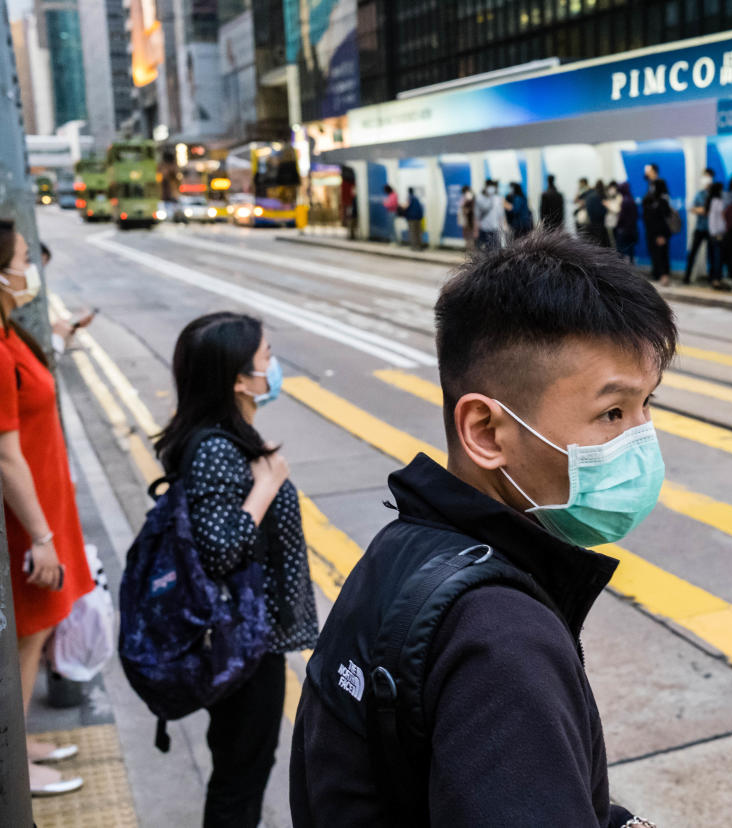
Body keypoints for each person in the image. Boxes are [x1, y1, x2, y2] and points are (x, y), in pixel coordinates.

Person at [290, 230, 672, 828]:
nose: (641, 438)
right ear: (487, 432)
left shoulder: (402, 549)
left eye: (649, 405)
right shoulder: (501, 640)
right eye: (613, 413)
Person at [153, 311, 317, 828]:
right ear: (239, 379)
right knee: (240, 775)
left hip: (245, 636)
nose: (274, 366)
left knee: (243, 765)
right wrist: (266, 487)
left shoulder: (222, 436)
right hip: (242, 645)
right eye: (267, 357)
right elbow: (219, 552)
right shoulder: (217, 451)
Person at [0, 221, 90, 798]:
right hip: (27, 521)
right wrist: (41, 537)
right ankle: (11, 768)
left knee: (36, 632)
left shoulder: (9, 334)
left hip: (45, 507)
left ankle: (19, 736)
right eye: (23, 257)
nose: (30, 267)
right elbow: (6, 455)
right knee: (26, 636)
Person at [683, 168, 715, 284]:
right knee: (693, 253)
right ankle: (687, 277)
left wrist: (705, 210)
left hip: (712, 230)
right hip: (700, 227)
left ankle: (713, 278)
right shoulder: (700, 194)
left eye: (707, 176)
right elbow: (692, 207)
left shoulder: (715, 193)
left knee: (712, 255)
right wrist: (702, 210)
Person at [642, 178, 674, 286]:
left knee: (661, 254)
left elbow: (664, 219)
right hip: (652, 233)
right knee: (656, 254)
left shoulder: (662, 201)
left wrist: (662, 235)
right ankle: (657, 274)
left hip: (660, 234)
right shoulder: (650, 199)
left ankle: (664, 275)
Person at [705, 181, 727, 290]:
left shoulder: (710, 201)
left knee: (713, 257)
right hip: (719, 233)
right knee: (718, 257)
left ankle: (712, 278)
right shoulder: (718, 201)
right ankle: (716, 280)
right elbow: (723, 216)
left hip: (712, 232)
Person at [613, 181, 639, 262]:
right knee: (631, 250)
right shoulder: (631, 199)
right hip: (632, 230)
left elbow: (622, 217)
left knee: (621, 251)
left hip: (624, 231)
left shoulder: (624, 201)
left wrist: (617, 225)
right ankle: (631, 265)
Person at [475, 180, 504, 251]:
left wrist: (502, 224)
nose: (491, 189)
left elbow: (500, 212)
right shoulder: (480, 197)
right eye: (490, 187)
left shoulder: (498, 198)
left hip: (495, 227)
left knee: (495, 249)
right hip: (484, 227)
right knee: (483, 249)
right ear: (486, 187)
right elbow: (479, 212)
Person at [583, 180, 608, 246]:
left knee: (594, 244)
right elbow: (601, 211)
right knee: (602, 244)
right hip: (600, 223)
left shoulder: (588, 195)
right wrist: (606, 209)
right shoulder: (599, 196)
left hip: (591, 223)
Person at [457, 185, 478, 251]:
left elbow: (468, 206)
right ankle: (469, 246)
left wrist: (466, 210)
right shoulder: (468, 195)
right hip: (467, 217)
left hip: (468, 217)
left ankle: (470, 247)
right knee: (468, 232)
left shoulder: (468, 195)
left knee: (469, 232)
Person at [603, 181, 622, 246]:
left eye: (612, 188)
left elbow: (617, 210)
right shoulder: (610, 197)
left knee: (619, 242)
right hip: (612, 223)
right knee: (614, 241)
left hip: (618, 223)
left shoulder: (619, 196)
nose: (610, 190)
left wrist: (608, 205)